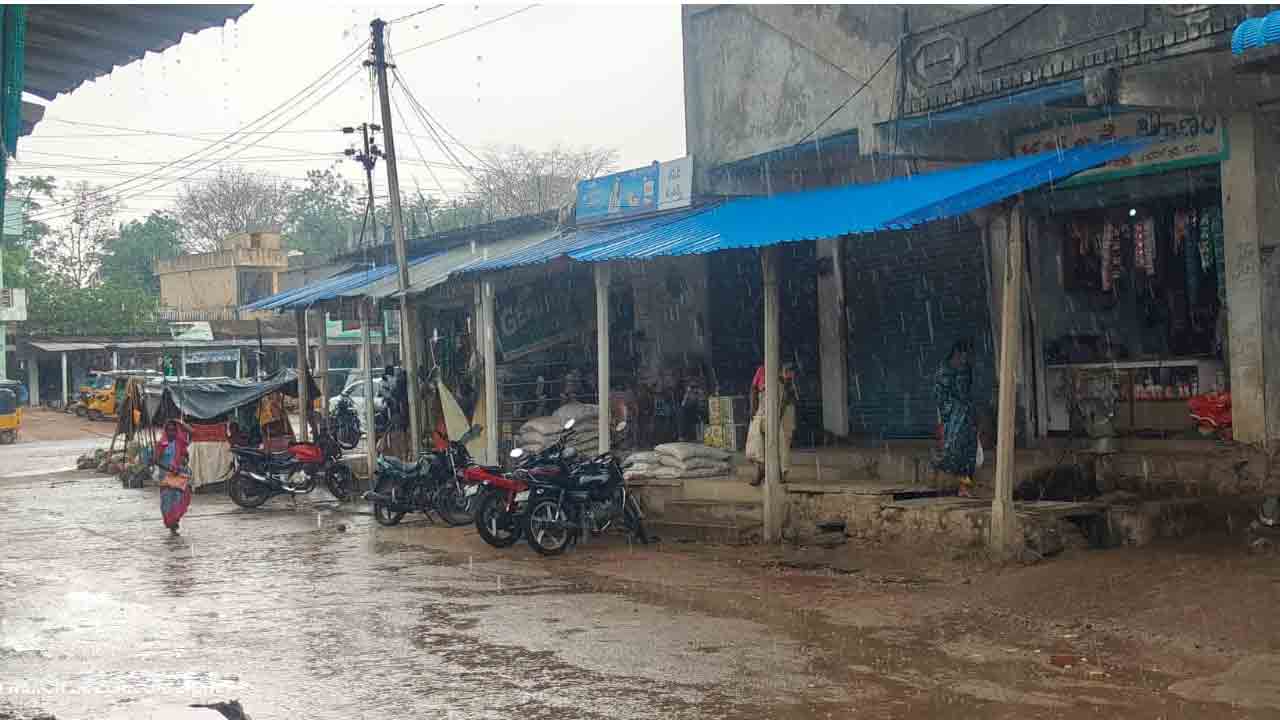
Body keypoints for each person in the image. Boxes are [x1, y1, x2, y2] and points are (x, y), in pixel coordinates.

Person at [933, 338, 979, 497]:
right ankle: (950, 480)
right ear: (957, 354)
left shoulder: (966, 370)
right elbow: (940, 399)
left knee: (968, 455)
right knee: (953, 451)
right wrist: (951, 411)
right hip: (952, 420)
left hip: (966, 419)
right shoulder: (944, 371)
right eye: (964, 356)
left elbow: (967, 393)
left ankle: (964, 487)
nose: (966, 360)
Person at [745, 361, 798, 485]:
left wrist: (778, 415)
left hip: (779, 412)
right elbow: (753, 389)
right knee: (756, 441)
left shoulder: (786, 373)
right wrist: (752, 408)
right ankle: (761, 470)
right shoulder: (762, 370)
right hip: (762, 411)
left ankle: (781, 473)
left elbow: (788, 396)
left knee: (781, 442)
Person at [156, 420, 192, 535]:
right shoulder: (161, 444)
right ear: (166, 431)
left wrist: (183, 462)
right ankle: (169, 522)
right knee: (166, 502)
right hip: (165, 477)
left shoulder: (180, 443)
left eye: (174, 430)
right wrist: (169, 469)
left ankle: (175, 522)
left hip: (178, 476)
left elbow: (186, 456)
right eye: (169, 430)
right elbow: (155, 460)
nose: (172, 432)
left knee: (178, 500)